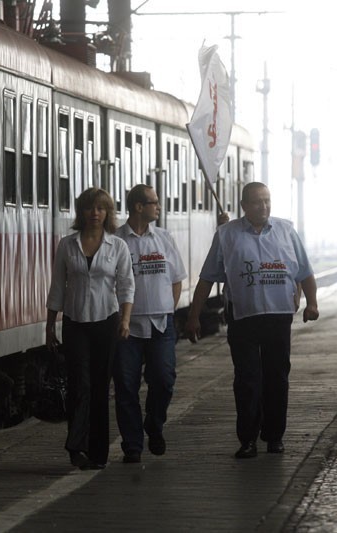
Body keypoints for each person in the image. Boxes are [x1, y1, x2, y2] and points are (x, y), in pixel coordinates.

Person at [184, 182, 319, 459]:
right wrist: (193, 315)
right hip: (243, 317)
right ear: (244, 206)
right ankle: (247, 439)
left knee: (277, 378)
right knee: (247, 379)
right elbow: (207, 277)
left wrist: (312, 303)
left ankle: (274, 436)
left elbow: (304, 272)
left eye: (267, 201)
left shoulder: (285, 230)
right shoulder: (227, 235)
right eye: (257, 202)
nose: (264, 207)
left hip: (278, 317)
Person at [46, 187, 135, 470]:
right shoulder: (67, 245)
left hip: (106, 321)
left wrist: (124, 320)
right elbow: (58, 286)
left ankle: (98, 453)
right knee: (79, 385)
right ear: (81, 212)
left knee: (99, 387)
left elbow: (126, 285)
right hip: (75, 322)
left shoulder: (117, 246)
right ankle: (76, 447)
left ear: (107, 212)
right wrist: (50, 325)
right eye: (89, 208)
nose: (94, 213)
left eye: (100, 208)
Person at [113, 184, 187, 464]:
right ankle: (132, 445)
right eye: (154, 203)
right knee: (126, 387)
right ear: (138, 207)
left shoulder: (164, 238)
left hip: (161, 324)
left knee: (164, 380)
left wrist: (169, 308)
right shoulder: (118, 240)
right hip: (127, 327)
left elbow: (177, 278)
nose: (159, 207)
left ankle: (154, 425)